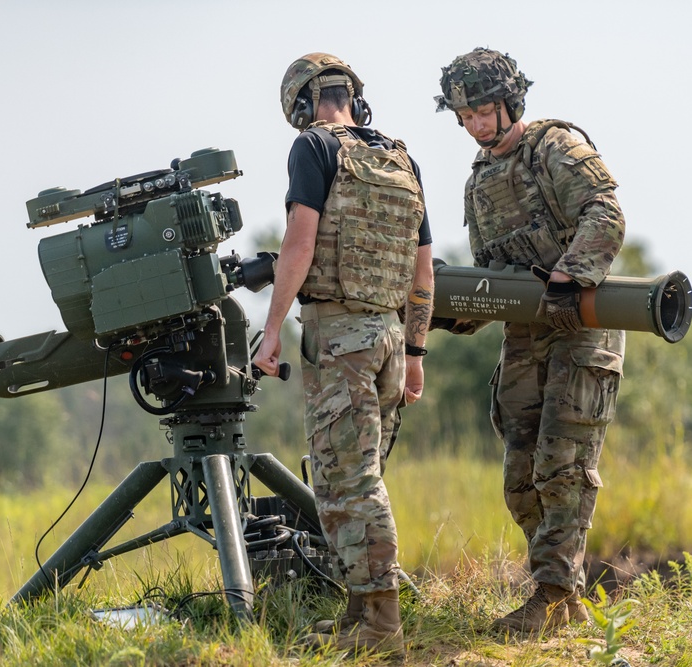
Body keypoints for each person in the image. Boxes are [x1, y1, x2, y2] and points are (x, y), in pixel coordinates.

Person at [433, 47, 626, 635]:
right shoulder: (480, 178)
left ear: (510, 101)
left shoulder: (554, 146)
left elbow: (605, 213)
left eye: (483, 111)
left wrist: (570, 278)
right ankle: (562, 598)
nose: (474, 124)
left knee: (562, 466)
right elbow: (494, 278)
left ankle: (549, 597)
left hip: (582, 324)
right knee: (521, 476)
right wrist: (447, 307)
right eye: (464, 116)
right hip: (525, 336)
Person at [253, 52, 434, 655]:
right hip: (385, 337)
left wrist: (272, 328)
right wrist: (414, 350)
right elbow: (422, 267)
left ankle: (382, 627)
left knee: (347, 483)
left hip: (340, 338)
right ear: (354, 96)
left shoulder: (314, 148)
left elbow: (299, 243)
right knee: (360, 474)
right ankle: (362, 609)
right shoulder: (401, 158)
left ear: (304, 104)